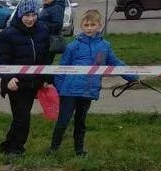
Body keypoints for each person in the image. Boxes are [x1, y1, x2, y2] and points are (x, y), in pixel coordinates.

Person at [50, 9, 137, 156]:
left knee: (81, 121)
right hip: (69, 91)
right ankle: (53, 149)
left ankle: (79, 150)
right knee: (63, 121)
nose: (89, 28)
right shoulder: (73, 46)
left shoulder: (104, 46)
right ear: (81, 26)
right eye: (86, 25)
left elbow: (115, 63)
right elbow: (61, 68)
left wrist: (132, 76)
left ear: (99, 25)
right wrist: (60, 88)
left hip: (88, 91)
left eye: (93, 24)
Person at [0, 0, 52, 156]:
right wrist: (8, 78)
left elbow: (46, 57)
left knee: (21, 116)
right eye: (27, 15)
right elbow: (2, 60)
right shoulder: (8, 34)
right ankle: (15, 149)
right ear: (20, 15)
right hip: (17, 84)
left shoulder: (43, 30)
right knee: (23, 118)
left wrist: (47, 77)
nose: (31, 18)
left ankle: (8, 145)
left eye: (33, 14)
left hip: (34, 83)